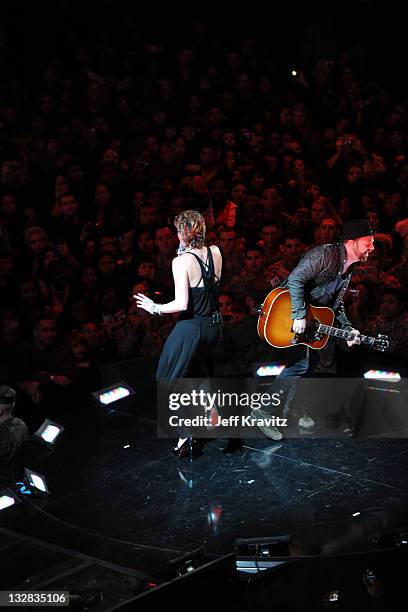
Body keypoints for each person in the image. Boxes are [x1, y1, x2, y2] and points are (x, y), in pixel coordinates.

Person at [258, 218, 375, 439]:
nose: (372, 247)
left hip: (310, 317)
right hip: (289, 312)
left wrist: (347, 328)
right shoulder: (324, 254)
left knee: (309, 364)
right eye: (368, 242)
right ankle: (264, 410)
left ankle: (286, 411)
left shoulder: (350, 267)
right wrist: (299, 314)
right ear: (352, 242)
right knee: (301, 365)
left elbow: (335, 303)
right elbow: (295, 281)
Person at [135, 210, 223, 457]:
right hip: (214, 327)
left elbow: (182, 303)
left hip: (192, 327)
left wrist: (154, 307)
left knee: (167, 378)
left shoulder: (180, 262)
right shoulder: (216, 252)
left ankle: (187, 434)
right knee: (193, 368)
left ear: (181, 233)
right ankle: (211, 409)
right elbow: (209, 289)